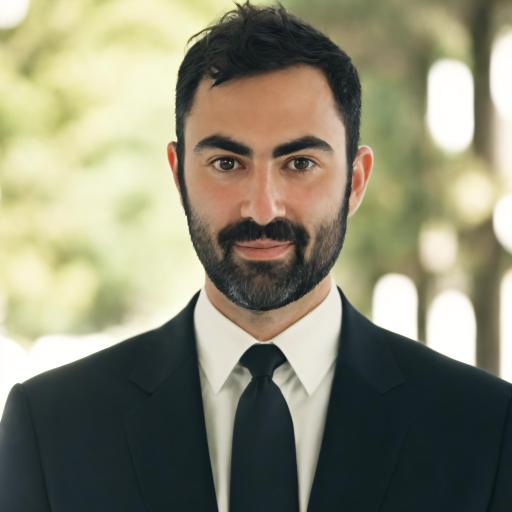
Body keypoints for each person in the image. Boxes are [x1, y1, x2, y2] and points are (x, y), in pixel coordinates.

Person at [1, 2, 511, 511]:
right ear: (178, 174)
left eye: (300, 163)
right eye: (227, 162)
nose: (263, 208)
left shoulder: (484, 428)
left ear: (355, 181)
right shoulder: (52, 428)